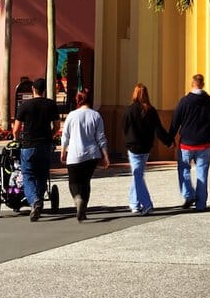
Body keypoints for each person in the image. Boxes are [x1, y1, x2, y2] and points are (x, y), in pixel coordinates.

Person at [166, 72, 210, 212]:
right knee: (202, 173)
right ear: (203, 84)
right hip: (205, 144)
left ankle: (188, 194)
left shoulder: (184, 101)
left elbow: (175, 121)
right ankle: (201, 204)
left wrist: (170, 139)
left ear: (192, 84)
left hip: (187, 143)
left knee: (184, 170)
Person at [12, 77, 61, 222]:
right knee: (42, 174)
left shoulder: (25, 106)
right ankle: (38, 199)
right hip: (45, 145)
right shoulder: (51, 105)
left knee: (28, 174)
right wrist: (50, 135)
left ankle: (34, 200)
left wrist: (17, 140)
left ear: (33, 89)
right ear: (44, 90)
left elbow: (16, 129)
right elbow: (57, 126)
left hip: (28, 145)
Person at [59, 89, 110, 222]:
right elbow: (101, 137)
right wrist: (105, 155)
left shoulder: (72, 115)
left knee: (74, 181)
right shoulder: (96, 116)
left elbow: (65, 135)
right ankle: (83, 210)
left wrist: (63, 150)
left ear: (78, 100)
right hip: (92, 154)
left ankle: (77, 199)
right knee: (86, 182)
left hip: (75, 154)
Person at [122, 82, 170, 215]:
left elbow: (124, 127)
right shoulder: (151, 111)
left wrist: (127, 141)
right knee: (138, 174)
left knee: (137, 175)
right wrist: (168, 142)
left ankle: (146, 203)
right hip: (146, 148)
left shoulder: (129, 110)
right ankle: (134, 202)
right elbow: (158, 130)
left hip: (133, 147)